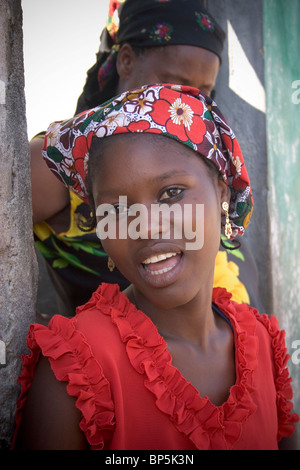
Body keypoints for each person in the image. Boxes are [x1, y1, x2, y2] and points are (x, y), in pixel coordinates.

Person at [13, 84, 298, 450]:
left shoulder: (262, 346)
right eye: (116, 209)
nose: (145, 226)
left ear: (222, 192)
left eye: (171, 193)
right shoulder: (78, 370)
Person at [31, 0, 263, 317]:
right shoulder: (65, 164)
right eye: (173, 82)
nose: (188, 104)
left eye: (203, 91)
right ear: (126, 60)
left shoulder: (204, 158)